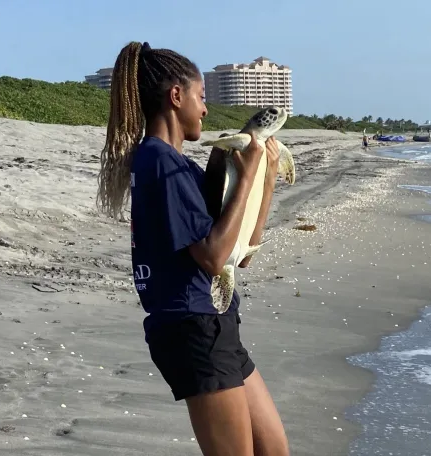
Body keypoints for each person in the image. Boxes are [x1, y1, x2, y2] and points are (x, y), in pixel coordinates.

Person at [96, 41, 289, 456]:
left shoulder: (181, 166)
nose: (204, 109)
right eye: (201, 97)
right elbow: (212, 257)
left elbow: (241, 253)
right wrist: (248, 169)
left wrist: (265, 175)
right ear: (176, 96)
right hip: (191, 326)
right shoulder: (158, 162)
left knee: (274, 450)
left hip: (216, 322)